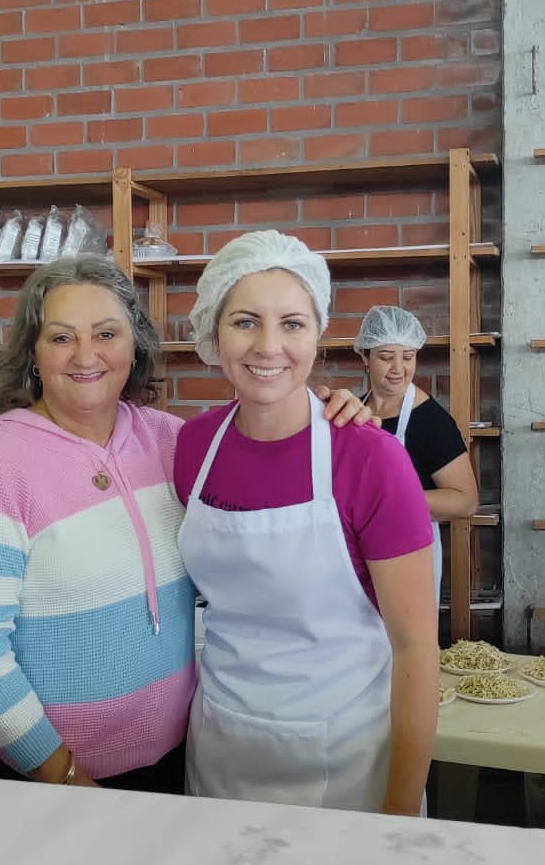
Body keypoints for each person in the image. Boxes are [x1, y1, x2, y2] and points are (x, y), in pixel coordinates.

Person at [0, 255, 373, 791]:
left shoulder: (170, 441)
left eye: (106, 333)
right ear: (33, 352)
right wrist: (63, 773)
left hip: (175, 756)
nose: (86, 355)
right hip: (43, 776)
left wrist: (324, 410)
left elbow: (266, 450)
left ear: (134, 344)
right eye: (62, 337)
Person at [174, 231, 438, 815]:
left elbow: (416, 646)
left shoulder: (370, 458)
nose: (269, 346)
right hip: (220, 749)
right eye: (245, 321)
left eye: (292, 323)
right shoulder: (193, 446)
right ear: (213, 333)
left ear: (318, 335)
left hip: (348, 763)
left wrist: (398, 814)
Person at [354, 305, 479, 602]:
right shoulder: (355, 413)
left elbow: (466, 501)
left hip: (407, 556)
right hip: (358, 554)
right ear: (364, 358)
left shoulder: (430, 421)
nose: (399, 368)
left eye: (408, 356)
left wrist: (382, 504)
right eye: (386, 357)